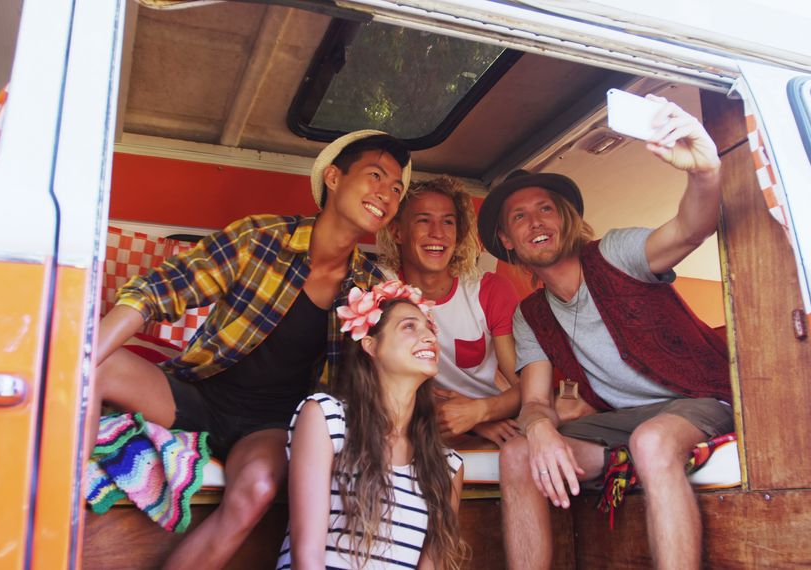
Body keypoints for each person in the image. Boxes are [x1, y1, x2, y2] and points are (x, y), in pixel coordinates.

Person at [90, 130, 411, 569]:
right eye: (376, 176)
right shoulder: (261, 236)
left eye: (396, 189)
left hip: (270, 426)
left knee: (258, 489)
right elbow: (159, 290)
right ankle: (55, 498)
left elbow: (387, 373)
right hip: (197, 396)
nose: (387, 194)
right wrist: (84, 359)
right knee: (98, 368)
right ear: (334, 178)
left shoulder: (371, 287)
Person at [476, 95, 732, 570]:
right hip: (622, 422)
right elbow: (532, 402)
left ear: (564, 219)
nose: (536, 221)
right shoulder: (530, 315)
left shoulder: (614, 254)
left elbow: (688, 230)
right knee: (516, 455)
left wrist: (705, 171)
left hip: (697, 398)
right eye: (519, 217)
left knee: (652, 442)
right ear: (509, 242)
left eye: (546, 209)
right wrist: (540, 430)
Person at [278, 280, 466, 569]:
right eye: (409, 327)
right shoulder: (326, 418)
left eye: (429, 328)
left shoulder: (447, 466)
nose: (429, 336)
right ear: (371, 345)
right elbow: (307, 558)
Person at [376, 175, 522, 446]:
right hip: (411, 422)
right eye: (423, 220)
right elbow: (374, 381)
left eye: (448, 222)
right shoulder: (379, 287)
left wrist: (480, 413)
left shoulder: (489, 290)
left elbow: (527, 388)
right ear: (398, 232)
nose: (438, 233)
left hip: (492, 417)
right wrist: (470, 423)